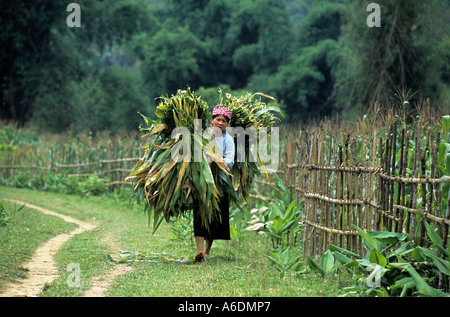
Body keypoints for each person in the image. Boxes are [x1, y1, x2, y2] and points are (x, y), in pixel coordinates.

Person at [193, 105, 235, 262]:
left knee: (215, 214)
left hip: (220, 180)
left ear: (227, 124)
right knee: (199, 212)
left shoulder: (228, 140)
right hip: (202, 178)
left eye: (224, 121)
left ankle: (207, 249)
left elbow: (230, 159)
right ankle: (199, 251)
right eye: (218, 119)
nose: (220, 123)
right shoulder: (202, 136)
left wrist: (218, 161)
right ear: (211, 121)